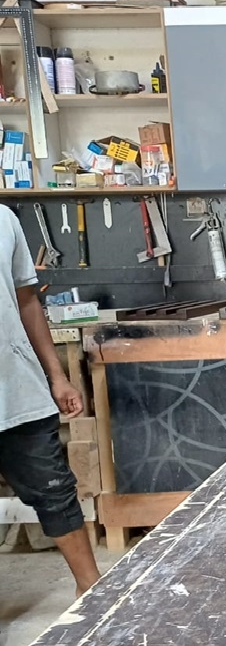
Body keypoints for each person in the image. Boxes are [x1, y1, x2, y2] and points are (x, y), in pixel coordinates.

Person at [2, 205, 101, 597]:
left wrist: (57, 377)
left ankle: (91, 590)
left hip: (16, 390)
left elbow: (28, 301)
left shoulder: (4, 220)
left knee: (55, 490)